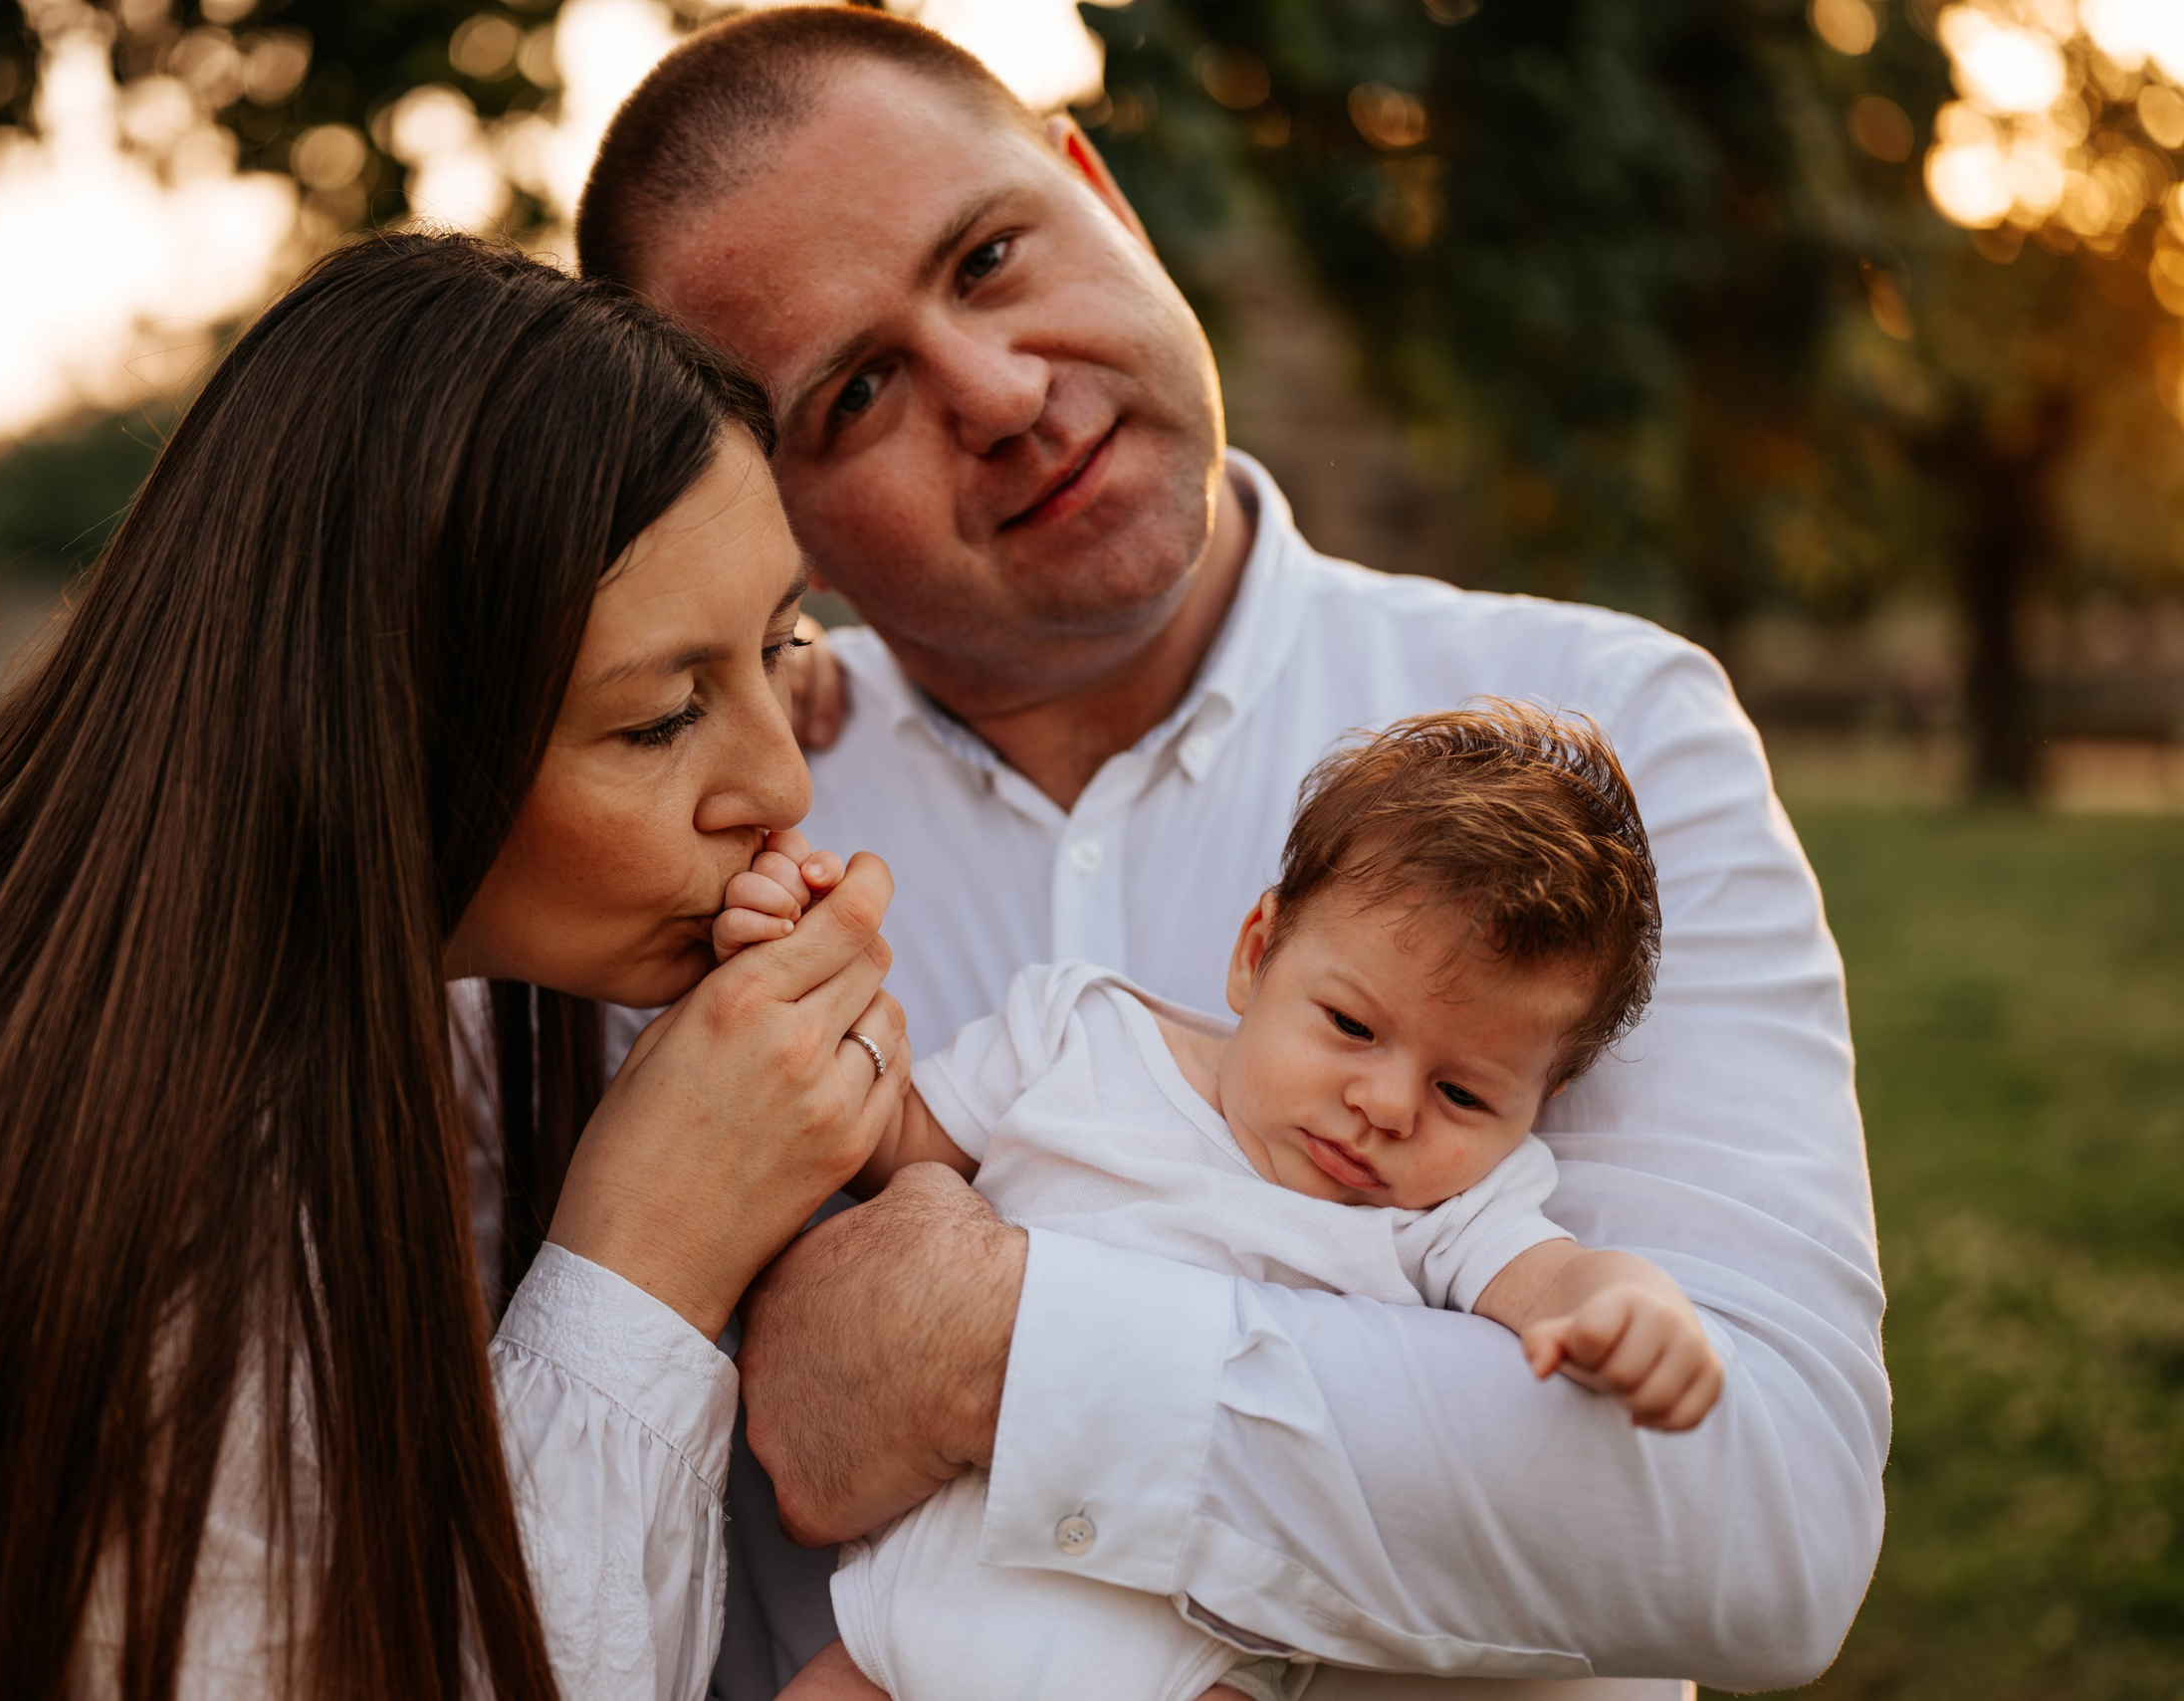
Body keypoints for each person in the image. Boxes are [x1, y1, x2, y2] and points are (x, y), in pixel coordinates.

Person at [573, 9, 1886, 1698]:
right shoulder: (715, 836)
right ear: (770, 506)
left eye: (987, 257)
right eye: (857, 392)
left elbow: (1756, 1527)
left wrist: (992, 1349)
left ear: (1098, 189)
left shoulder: (1610, 735)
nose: (999, 394)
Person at [0, 235, 908, 1701]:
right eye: (661, 717)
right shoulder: (78, 1190)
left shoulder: (390, 1028)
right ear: (388, 721)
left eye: (780, 641)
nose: (779, 786)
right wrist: (648, 1265)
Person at [721, 706, 1722, 1701]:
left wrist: (1627, 1303)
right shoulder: (1082, 1037)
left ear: (1536, 1105)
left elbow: (1546, 1274)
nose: (1384, 1104)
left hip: (1194, 1659)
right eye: (1349, 1024)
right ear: (1257, 950)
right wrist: (799, 967)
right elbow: (885, 1137)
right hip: (911, 1614)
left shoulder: (1450, 1206)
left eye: (1462, 1093)